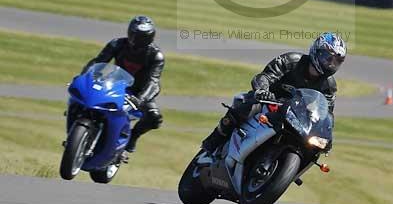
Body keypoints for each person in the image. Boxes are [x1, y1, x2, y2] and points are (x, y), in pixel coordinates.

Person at [200, 32, 347, 155]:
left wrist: (327, 135)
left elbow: (326, 114)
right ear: (317, 52)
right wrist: (263, 91)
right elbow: (264, 77)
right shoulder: (291, 61)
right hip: (269, 102)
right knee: (245, 106)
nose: (331, 64)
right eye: (328, 58)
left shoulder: (329, 85)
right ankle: (213, 142)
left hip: (296, 117)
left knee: (313, 148)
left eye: (336, 61)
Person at [78, 15, 164, 155]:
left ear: (150, 37)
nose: (136, 40)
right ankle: (79, 119)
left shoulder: (155, 56)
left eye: (142, 37)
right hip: (115, 83)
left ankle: (132, 137)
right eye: (134, 35)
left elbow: (153, 81)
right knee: (85, 95)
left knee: (155, 118)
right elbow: (98, 62)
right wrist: (86, 77)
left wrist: (140, 99)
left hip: (139, 91)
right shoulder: (116, 44)